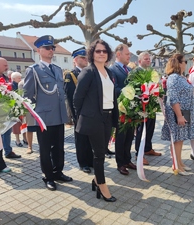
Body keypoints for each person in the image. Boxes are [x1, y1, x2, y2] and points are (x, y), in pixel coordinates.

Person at [24, 35, 72, 191]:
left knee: (59, 147)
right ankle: (48, 176)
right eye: (47, 48)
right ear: (39, 51)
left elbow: (61, 92)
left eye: (53, 48)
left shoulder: (58, 69)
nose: (51, 50)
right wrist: (33, 115)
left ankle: (58, 172)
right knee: (45, 148)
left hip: (58, 115)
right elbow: (28, 95)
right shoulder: (34, 70)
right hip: (43, 117)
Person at [73, 39, 118, 201]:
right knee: (99, 154)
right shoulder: (88, 72)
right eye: (98, 51)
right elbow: (77, 99)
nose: (101, 54)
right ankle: (102, 185)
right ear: (92, 53)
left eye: (104, 51)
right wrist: (83, 118)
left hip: (108, 117)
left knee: (102, 151)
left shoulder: (110, 72)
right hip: (94, 119)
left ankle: (96, 180)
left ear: (108, 54)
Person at [161, 53, 194, 176]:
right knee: (177, 139)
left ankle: (180, 163)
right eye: (185, 61)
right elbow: (173, 98)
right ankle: (176, 166)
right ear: (179, 63)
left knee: (180, 139)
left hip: (184, 112)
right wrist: (179, 115)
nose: (186, 64)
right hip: (178, 112)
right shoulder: (174, 78)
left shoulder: (180, 77)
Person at [64, 47, 93, 173]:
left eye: (86, 57)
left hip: (91, 112)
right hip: (79, 113)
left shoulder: (91, 72)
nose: (86, 59)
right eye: (82, 57)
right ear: (76, 59)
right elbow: (70, 98)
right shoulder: (70, 75)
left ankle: (91, 159)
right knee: (81, 139)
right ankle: (83, 163)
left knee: (90, 138)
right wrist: (75, 115)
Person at [109, 44, 136, 175]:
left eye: (129, 54)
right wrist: (127, 91)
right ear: (118, 55)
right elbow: (112, 89)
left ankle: (127, 160)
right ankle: (120, 163)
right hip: (120, 109)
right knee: (121, 137)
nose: (129, 56)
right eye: (127, 54)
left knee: (130, 136)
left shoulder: (129, 70)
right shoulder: (112, 70)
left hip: (130, 109)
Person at [0, 58, 21, 159]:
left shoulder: (5, 77)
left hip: (6, 109)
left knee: (7, 132)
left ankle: (8, 151)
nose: (7, 67)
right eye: (5, 65)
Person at [135, 52, 162, 166]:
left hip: (152, 105)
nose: (148, 61)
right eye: (146, 59)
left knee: (150, 128)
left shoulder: (151, 72)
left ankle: (148, 148)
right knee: (141, 131)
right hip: (141, 106)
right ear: (139, 61)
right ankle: (139, 154)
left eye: (149, 59)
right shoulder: (136, 72)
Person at [11, 72, 28, 147]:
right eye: (19, 78)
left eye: (21, 78)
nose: (20, 79)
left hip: (22, 106)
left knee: (24, 123)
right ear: (14, 79)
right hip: (14, 107)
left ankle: (25, 138)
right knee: (16, 124)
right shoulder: (11, 86)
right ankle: (17, 140)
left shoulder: (22, 85)